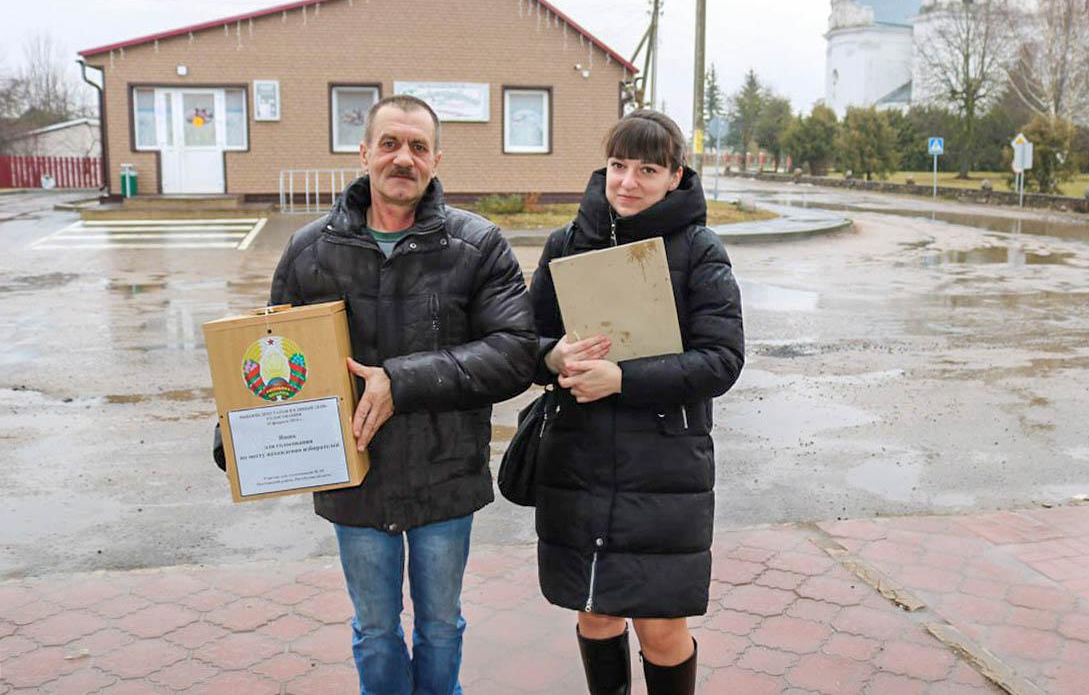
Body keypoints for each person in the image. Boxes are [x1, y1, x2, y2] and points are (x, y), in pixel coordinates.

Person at [269, 95, 538, 694]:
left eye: (418, 147)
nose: (403, 158)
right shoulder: (310, 251)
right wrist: (241, 434)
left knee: (440, 626)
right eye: (390, 143)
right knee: (375, 629)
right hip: (354, 476)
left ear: (436, 160)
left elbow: (515, 352)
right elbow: (274, 353)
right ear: (364, 152)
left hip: (445, 473)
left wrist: (401, 380)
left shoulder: (478, 246)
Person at [527, 109, 744, 694]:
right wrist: (553, 357)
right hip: (580, 461)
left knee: (660, 626)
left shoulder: (699, 250)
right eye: (618, 165)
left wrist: (621, 379)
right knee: (595, 613)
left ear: (675, 176)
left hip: (664, 470)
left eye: (647, 169)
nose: (627, 181)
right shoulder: (566, 242)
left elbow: (722, 360)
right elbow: (524, 343)